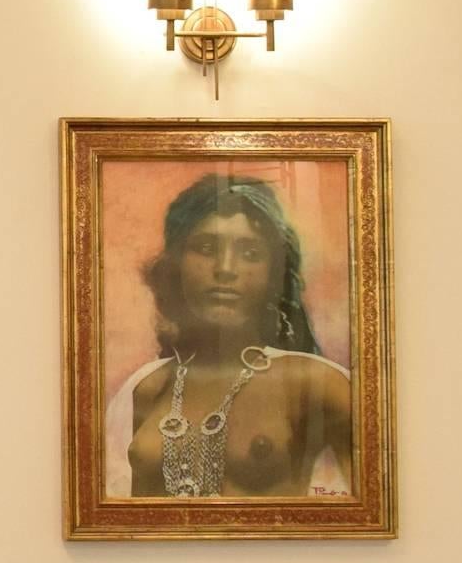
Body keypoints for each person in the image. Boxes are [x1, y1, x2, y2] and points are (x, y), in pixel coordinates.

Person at [116, 173, 353, 500]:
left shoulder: (315, 383)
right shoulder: (147, 389)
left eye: (250, 253)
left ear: (274, 274)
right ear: (176, 265)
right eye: (205, 248)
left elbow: (372, 514)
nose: (225, 268)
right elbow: (117, 524)